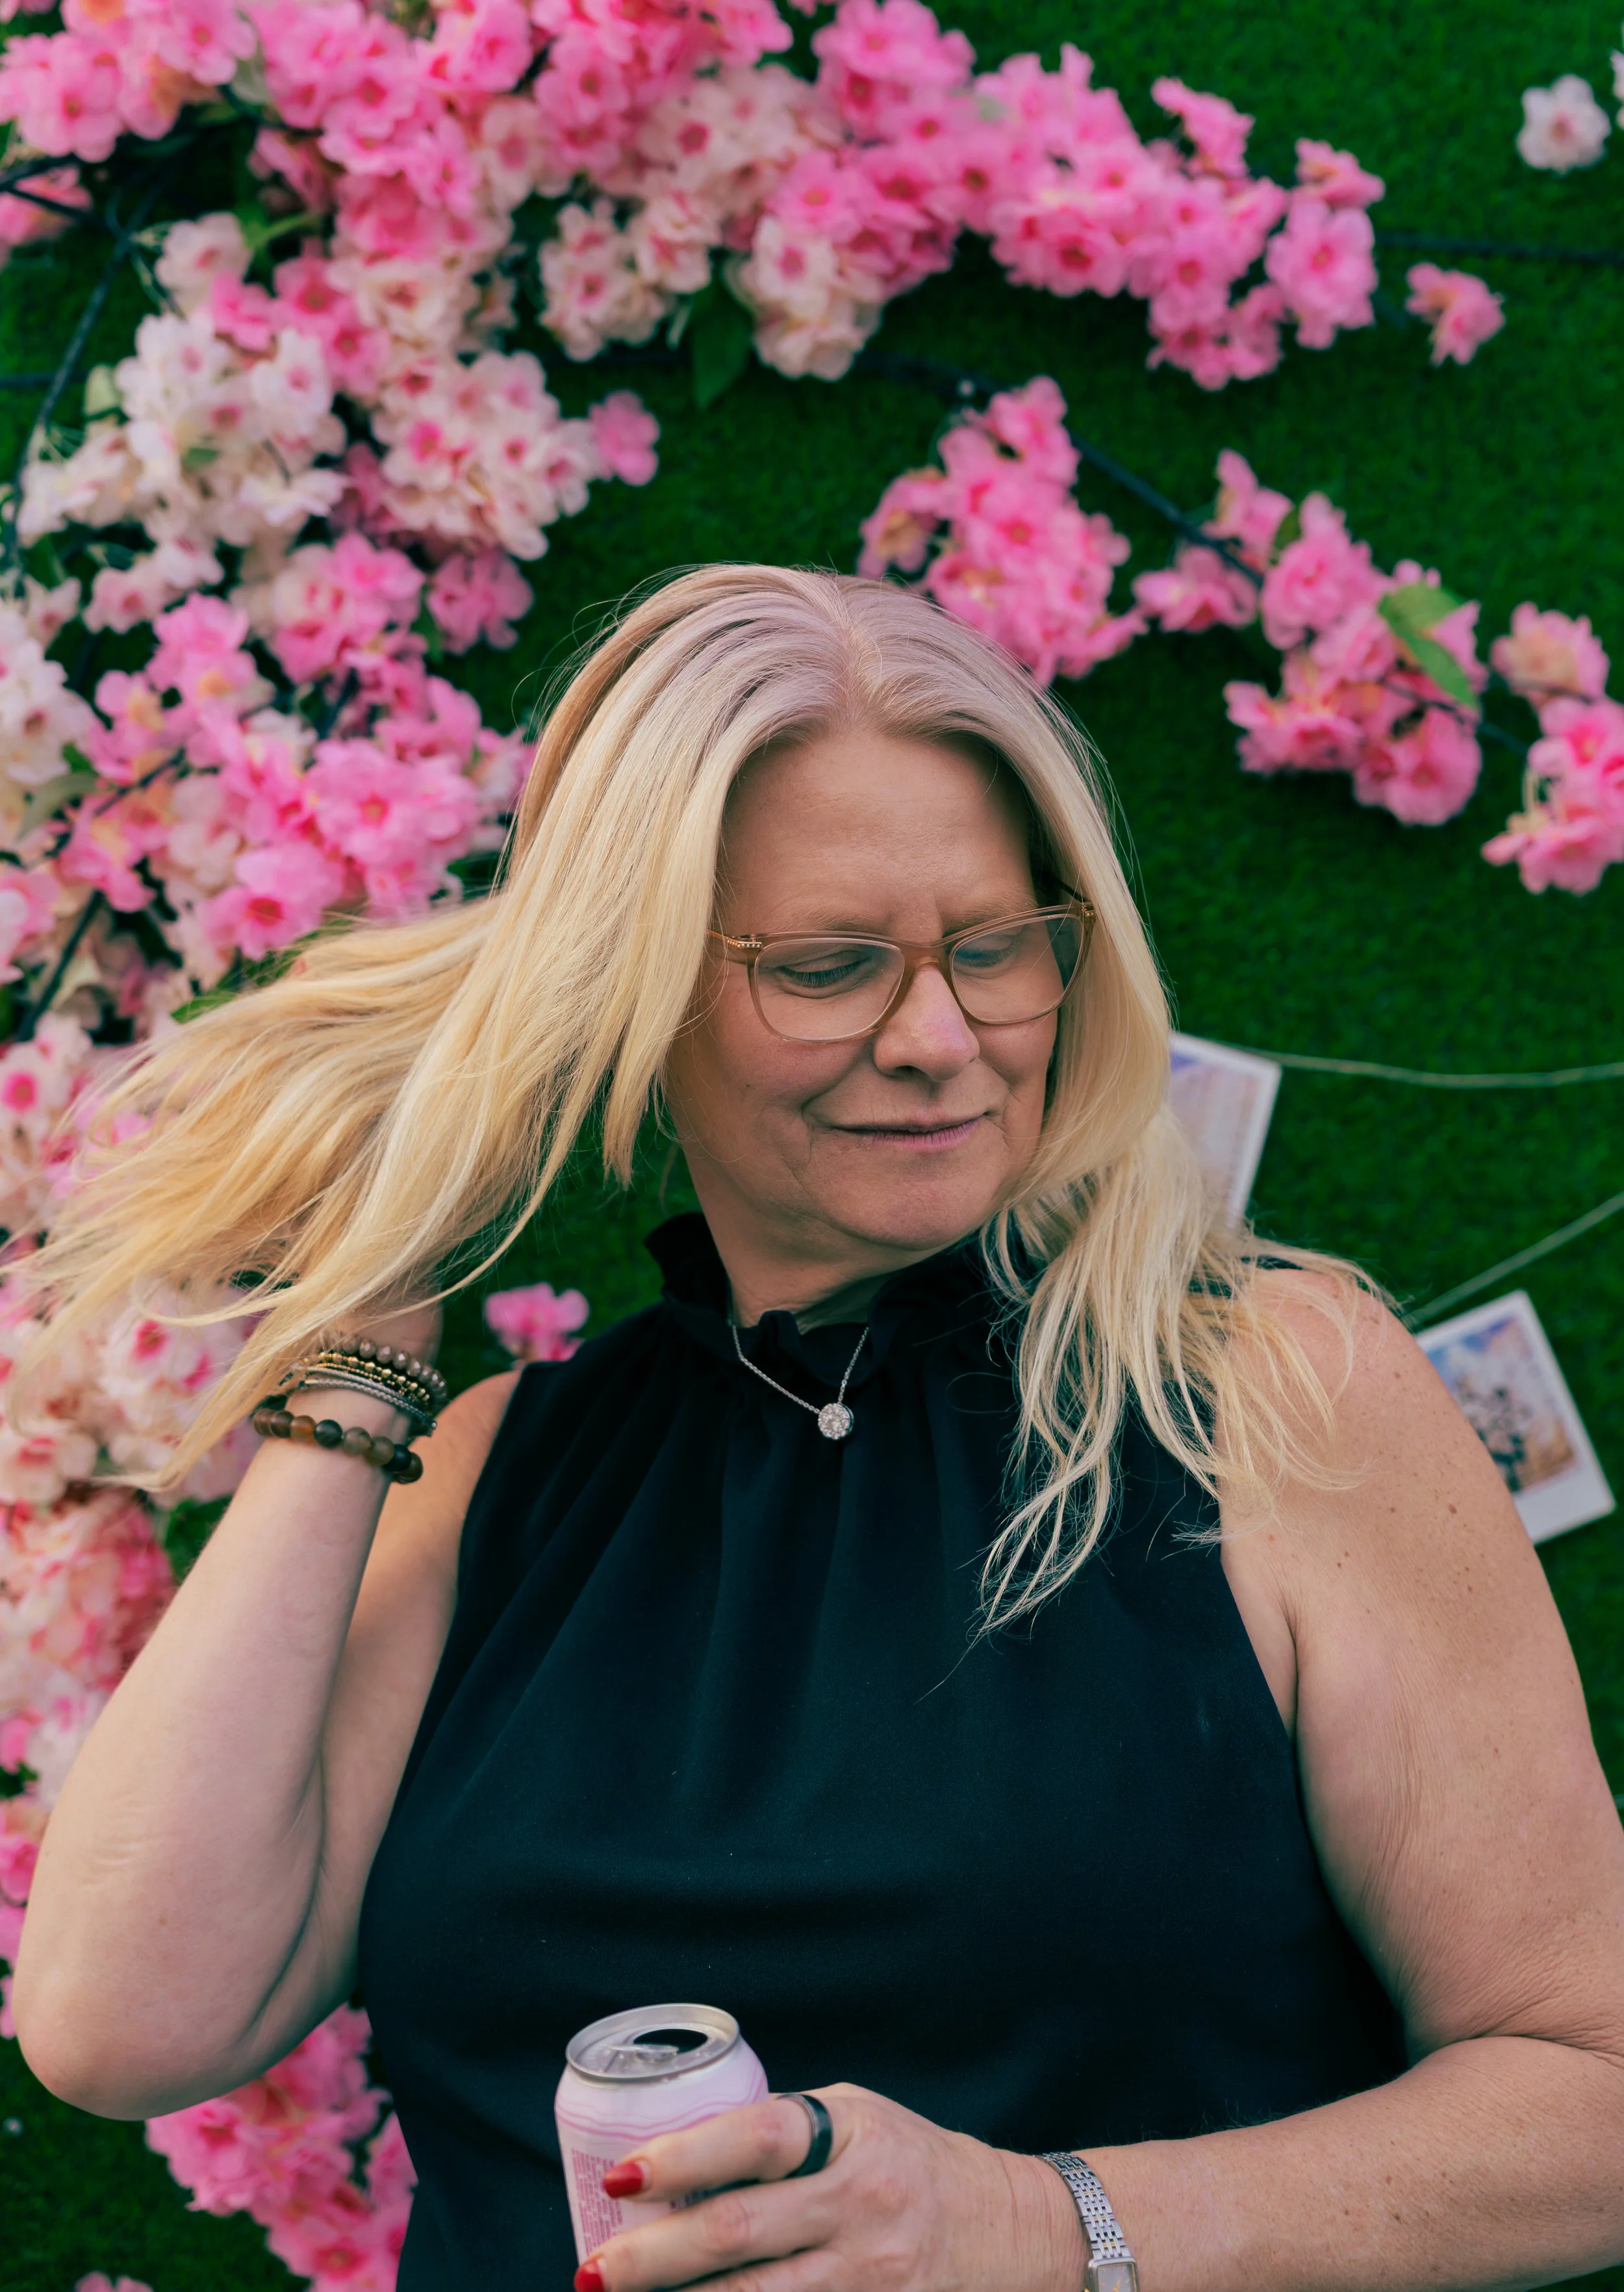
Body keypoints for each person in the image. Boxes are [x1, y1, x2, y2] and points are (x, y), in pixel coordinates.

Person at [12, 567, 1624, 2292]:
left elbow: (1588, 2097)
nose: (937, 1041)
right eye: (828, 965)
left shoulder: (1271, 1394)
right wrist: (361, 1354)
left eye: (993, 948)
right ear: (625, 989)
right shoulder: (494, 1470)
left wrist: (1049, 2226)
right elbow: (124, 2024)